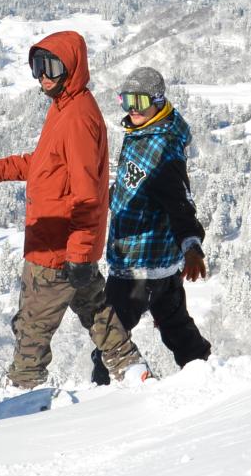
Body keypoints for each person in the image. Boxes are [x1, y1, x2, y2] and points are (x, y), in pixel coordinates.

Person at [0, 30, 147, 389]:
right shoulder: (64, 108)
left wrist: (78, 254)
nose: (43, 76)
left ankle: (22, 394)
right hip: (62, 246)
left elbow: (87, 194)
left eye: (51, 66)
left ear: (73, 68)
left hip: (57, 250)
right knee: (97, 313)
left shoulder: (77, 117)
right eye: (37, 67)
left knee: (32, 329)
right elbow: (47, 163)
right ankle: (132, 368)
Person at [89, 66, 212, 386]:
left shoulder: (162, 149)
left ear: (158, 101)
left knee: (110, 336)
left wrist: (192, 246)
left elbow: (179, 203)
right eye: (126, 100)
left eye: (139, 101)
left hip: (137, 266)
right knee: (176, 324)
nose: (132, 108)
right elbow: (138, 186)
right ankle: (206, 370)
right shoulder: (142, 134)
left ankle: (100, 390)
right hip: (158, 264)